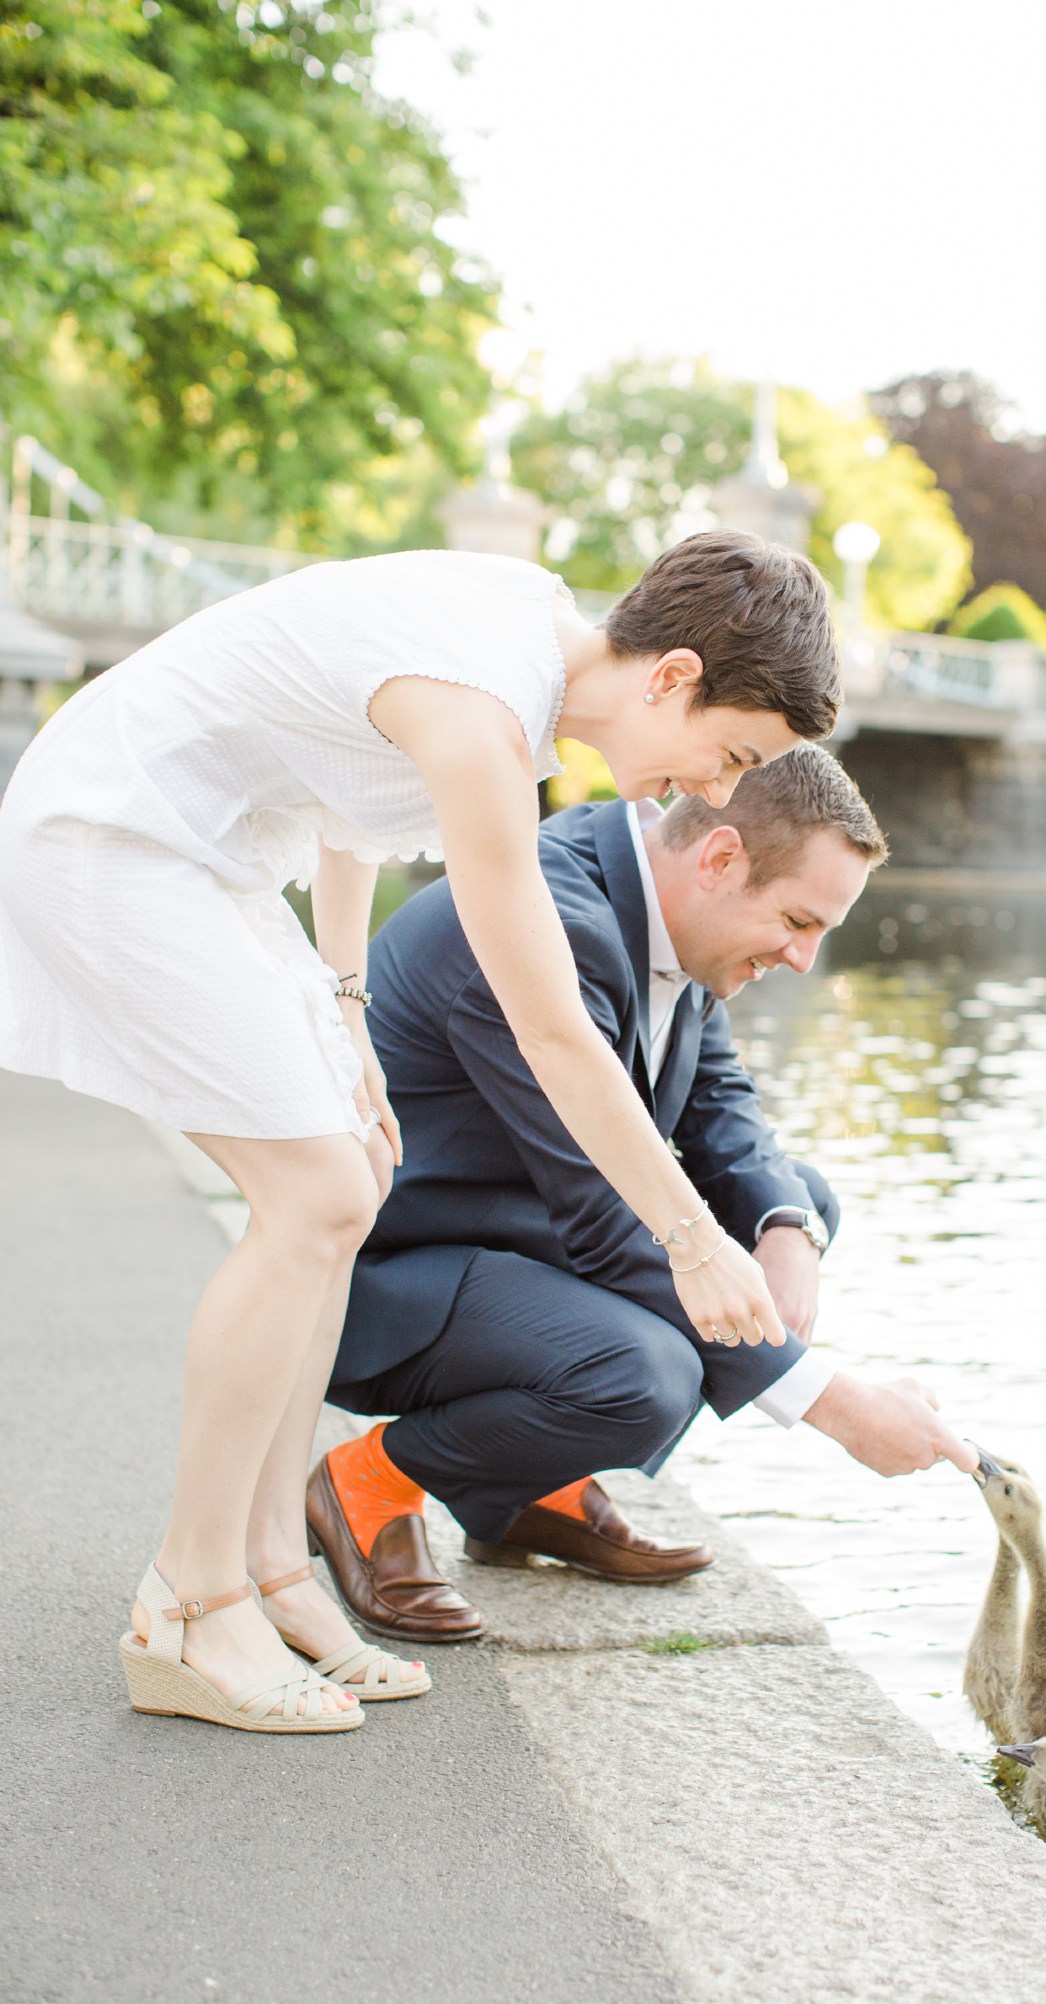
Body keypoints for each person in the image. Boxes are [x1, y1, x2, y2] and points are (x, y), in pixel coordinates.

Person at [0, 532, 840, 1734]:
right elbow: (557, 1033)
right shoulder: (486, 719)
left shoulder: (525, 634)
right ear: (673, 676)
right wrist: (696, 1239)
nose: (717, 788)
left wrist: (346, 1010)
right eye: (734, 752)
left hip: (212, 854)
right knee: (319, 1200)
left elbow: (347, 795)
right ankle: (190, 1597)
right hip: (115, 837)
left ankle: (276, 1575)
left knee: (351, 1174)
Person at [309, 747, 979, 1639]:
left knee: (799, 1199)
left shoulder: (667, 907)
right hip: (390, 1274)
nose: (805, 959)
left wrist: (785, 1227)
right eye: (796, 921)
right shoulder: (551, 924)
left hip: (518, 1241)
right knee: (644, 1377)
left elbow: (718, 1102)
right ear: (719, 859)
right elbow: (599, 1210)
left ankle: (525, 1484)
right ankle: (369, 1481)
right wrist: (833, 1403)